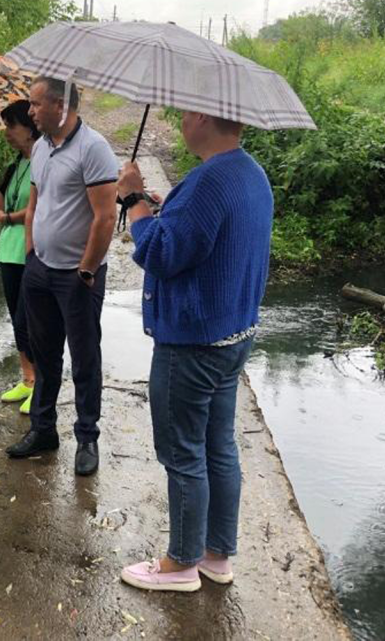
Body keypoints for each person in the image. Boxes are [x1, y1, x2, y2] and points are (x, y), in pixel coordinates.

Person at [115, 110, 273, 593]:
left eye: (186, 113)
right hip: (232, 337)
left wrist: (135, 200)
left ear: (204, 117)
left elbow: (160, 254)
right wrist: (165, 207)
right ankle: (216, 555)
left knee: (182, 451)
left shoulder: (209, 180)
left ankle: (180, 563)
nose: (182, 121)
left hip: (193, 342)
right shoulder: (249, 173)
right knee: (218, 446)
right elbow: (206, 236)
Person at [5, 77, 119, 476]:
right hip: (41, 270)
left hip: (77, 276)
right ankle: (43, 428)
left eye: (35, 104)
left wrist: (87, 269)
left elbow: (106, 217)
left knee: (85, 357)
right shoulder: (40, 147)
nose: (30, 112)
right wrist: (33, 251)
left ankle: (87, 436)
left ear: (59, 105)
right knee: (44, 352)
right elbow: (36, 199)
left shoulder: (94, 149)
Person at [0, 101, 40, 414]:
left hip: (32, 249)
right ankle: (27, 380)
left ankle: (41, 384)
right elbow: (1, 206)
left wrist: (11, 218)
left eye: (10, 126)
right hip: (9, 250)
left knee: (29, 319)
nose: (6, 133)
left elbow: (39, 208)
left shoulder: (43, 160)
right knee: (16, 317)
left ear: (29, 128)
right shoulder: (17, 165)